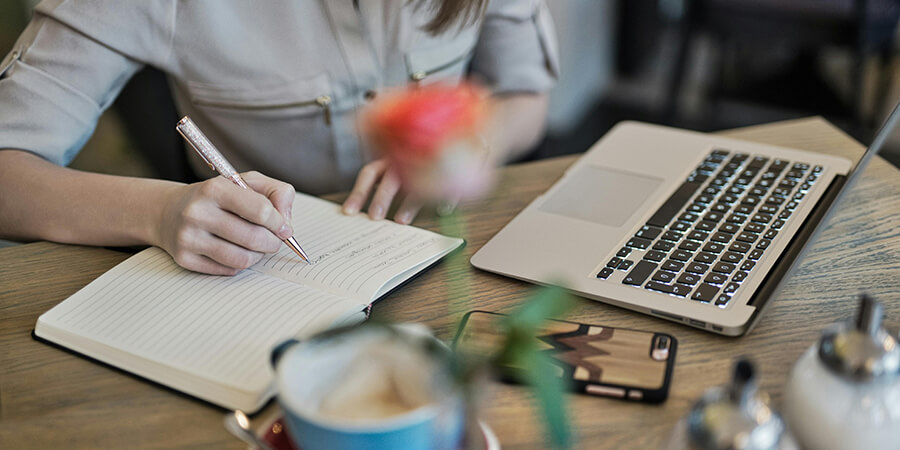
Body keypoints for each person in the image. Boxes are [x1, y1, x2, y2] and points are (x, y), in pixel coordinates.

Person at [0, 0, 558, 275]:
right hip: (257, 273)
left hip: (448, 249)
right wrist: (159, 210)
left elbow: (526, 96)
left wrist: (476, 143)